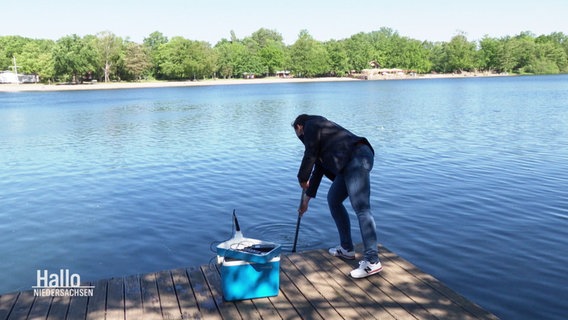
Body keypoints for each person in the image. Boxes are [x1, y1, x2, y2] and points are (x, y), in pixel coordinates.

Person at [292, 114, 382, 278]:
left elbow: (309, 153)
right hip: (348, 163)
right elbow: (318, 170)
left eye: (299, 136)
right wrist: (306, 201)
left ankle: (372, 261)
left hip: (357, 157)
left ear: (299, 127)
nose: (302, 139)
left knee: (361, 208)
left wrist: (302, 177)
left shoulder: (311, 124)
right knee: (333, 200)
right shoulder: (321, 137)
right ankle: (347, 249)